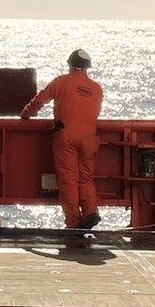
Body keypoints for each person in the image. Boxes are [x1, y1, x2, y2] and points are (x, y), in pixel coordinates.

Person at [20, 49, 103, 229]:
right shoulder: (96, 88)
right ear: (86, 68)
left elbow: (40, 100)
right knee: (86, 178)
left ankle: (73, 223)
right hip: (89, 137)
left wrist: (26, 113)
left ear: (71, 65)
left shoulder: (61, 82)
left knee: (68, 180)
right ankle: (90, 212)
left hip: (66, 136)